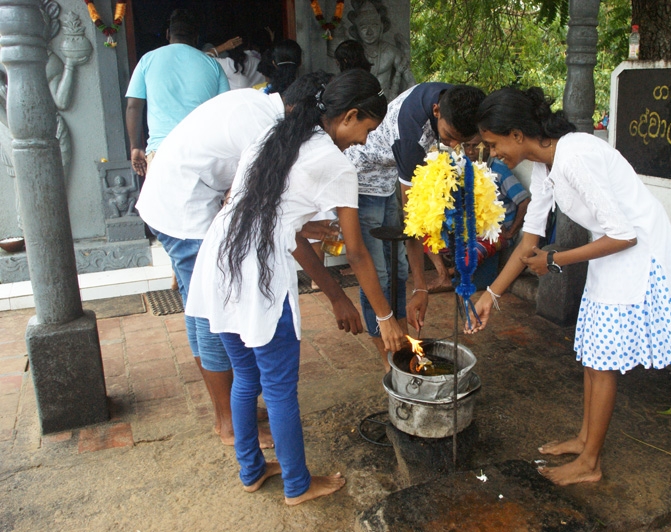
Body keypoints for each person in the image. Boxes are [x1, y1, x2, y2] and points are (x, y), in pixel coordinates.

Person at [185, 69, 405, 503]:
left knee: (246, 376)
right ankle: (298, 485)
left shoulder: (274, 138)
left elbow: (280, 223)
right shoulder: (336, 163)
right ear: (350, 116)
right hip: (259, 276)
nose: (364, 141)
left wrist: (335, 291)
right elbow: (357, 253)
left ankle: (251, 469)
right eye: (366, 129)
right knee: (280, 386)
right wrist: (384, 317)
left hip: (218, 263)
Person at [466, 87, 671, 486]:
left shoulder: (575, 157)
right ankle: (586, 438)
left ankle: (590, 462)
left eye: (493, 143)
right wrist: (491, 296)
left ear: (517, 134)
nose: (492, 153)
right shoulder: (545, 164)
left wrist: (555, 260)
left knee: (602, 363)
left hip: (636, 254)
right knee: (593, 355)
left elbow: (625, 235)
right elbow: (530, 237)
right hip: (609, 253)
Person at [136, 72, 344, 450]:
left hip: (184, 200)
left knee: (204, 310)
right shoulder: (262, 127)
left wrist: (306, 225)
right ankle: (228, 421)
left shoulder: (259, 106)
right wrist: (333, 291)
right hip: (184, 210)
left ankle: (236, 409)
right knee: (212, 312)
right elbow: (268, 216)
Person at [345, 83, 485, 371]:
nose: (454, 145)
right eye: (450, 137)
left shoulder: (451, 97)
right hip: (360, 177)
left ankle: (399, 340)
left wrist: (438, 272)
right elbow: (415, 221)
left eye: (462, 140)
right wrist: (421, 286)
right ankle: (388, 357)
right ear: (436, 112)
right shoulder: (411, 139)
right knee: (378, 273)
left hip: (387, 175)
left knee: (397, 270)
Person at [125, 9, 229, 177]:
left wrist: (135, 146)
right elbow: (223, 111)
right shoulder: (213, 65)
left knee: (161, 204)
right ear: (196, 36)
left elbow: (133, 107)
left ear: (167, 34)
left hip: (161, 152)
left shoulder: (147, 60)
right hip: (202, 154)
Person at [426, 135, 531, 292]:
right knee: (428, 234)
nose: (470, 151)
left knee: (472, 253)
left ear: (487, 147)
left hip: (495, 232)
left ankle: (452, 273)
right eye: (467, 145)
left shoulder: (499, 170)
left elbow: (525, 201)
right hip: (472, 228)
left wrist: (511, 232)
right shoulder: (464, 166)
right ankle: (444, 277)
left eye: (476, 146)